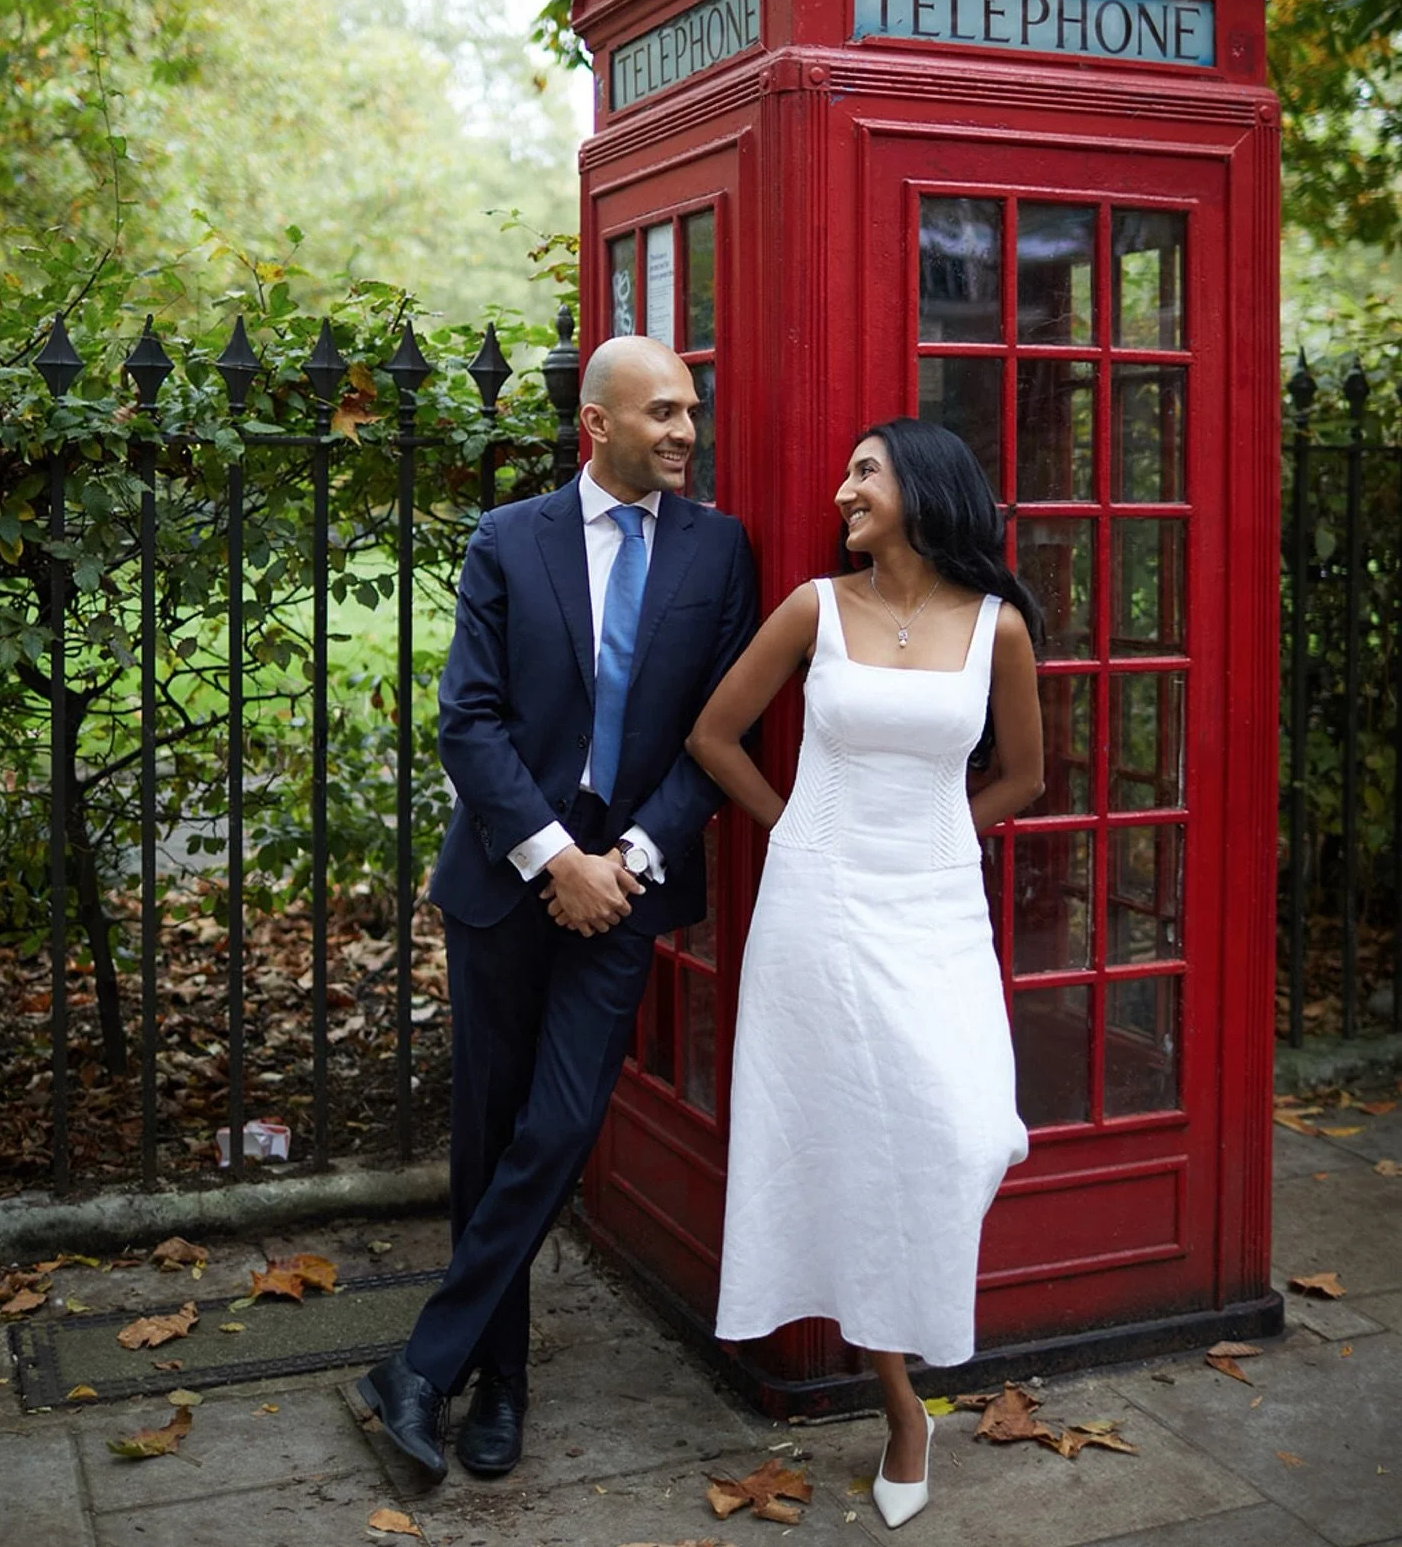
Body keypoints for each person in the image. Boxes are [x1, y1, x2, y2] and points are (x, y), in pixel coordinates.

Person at [358, 335, 756, 1483]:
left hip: (628, 881)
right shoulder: (509, 539)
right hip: (507, 877)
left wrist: (626, 856)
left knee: (562, 1123)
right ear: (597, 424)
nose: (685, 432)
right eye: (664, 412)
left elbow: (718, 735)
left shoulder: (720, 549)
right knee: (490, 1136)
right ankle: (500, 1381)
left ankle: (419, 1365)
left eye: (691, 411)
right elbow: (468, 720)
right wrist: (553, 859)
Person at [687, 416, 1043, 1531]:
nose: (843, 490)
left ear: (924, 489)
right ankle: (901, 1409)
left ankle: (910, 1354)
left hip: (934, 910)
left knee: (967, 1130)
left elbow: (1024, 776)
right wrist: (800, 831)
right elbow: (714, 736)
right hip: (819, 909)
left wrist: (939, 838)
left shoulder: (996, 627)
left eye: (866, 472)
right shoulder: (815, 608)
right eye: (846, 472)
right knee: (838, 1144)